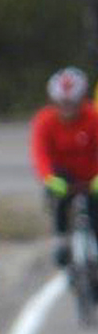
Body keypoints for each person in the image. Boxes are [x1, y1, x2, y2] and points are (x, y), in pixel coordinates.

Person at [30, 66, 98, 266]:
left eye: (72, 104)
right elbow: (40, 154)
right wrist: (48, 178)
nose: (67, 109)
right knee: (59, 202)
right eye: (62, 104)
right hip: (62, 177)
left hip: (92, 176)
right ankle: (61, 240)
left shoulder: (94, 117)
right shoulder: (44, 121)